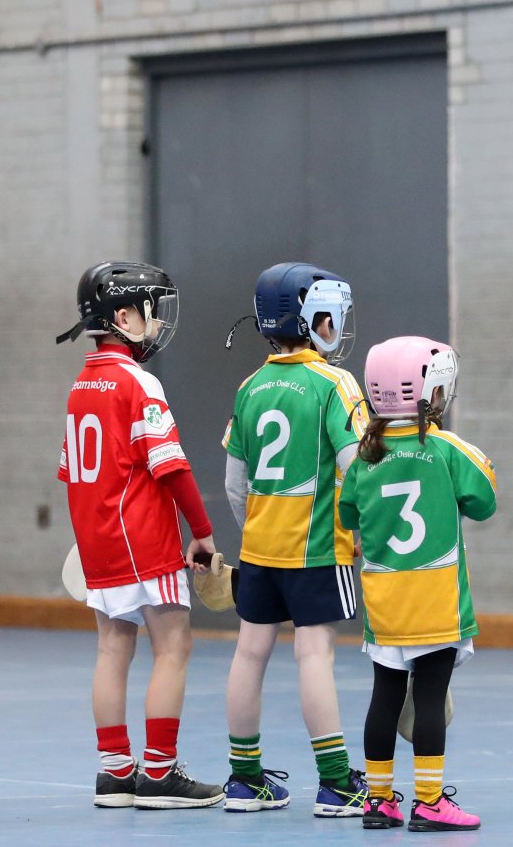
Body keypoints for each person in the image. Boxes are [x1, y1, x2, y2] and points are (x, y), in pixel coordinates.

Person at [56, 261, 224, 810]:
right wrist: (200, 532)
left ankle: (115, 772)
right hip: (144, 538)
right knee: (174, 645)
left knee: (112, 647)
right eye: (150, 313)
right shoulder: (138, 382)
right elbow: (171, 466)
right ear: (124, 316)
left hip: (99, 539)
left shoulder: (81, 385)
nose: (156, 325)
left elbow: (71, 474)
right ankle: (159, 773)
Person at [220, 261, 370, 817]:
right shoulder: (336, 384)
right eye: (332, 316)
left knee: (248, 652)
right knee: (314, 653)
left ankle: (243, 778)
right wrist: (355, 530)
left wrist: (258, 530)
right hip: (316, 550)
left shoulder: (250, 385)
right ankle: (335, 784)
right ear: (311, 319)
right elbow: (357, 466)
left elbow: (236, 483)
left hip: (259, 548)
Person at [338, 336, 496, 831]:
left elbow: (346, 513)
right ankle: (429, 801)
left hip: (385, 601)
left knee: (384, 697)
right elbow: (485, 501)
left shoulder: (364, 454)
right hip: (437, 600)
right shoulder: (446, 449)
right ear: (431, 392)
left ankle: (378, 801)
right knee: (428, 698)